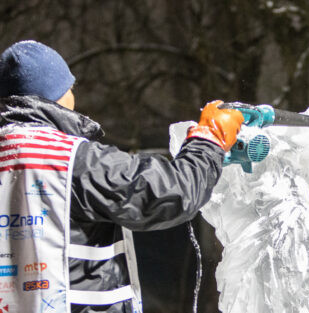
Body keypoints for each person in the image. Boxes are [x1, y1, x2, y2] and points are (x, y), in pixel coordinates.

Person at [0, 40, 243, 313]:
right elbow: (172, 192)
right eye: (70, 87)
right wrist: (209, 139)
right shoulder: (72, 159)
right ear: (57, 94)